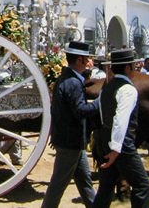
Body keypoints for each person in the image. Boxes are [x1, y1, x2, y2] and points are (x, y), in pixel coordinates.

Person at [42, 41, 100, 208]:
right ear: (80, 59)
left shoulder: (66, 78)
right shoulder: (73, 83)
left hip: (73, 142)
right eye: (88, 58)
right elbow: (81, 110)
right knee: (58, 185)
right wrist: (99, 103)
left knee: (85, 183)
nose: (90, 61)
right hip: (70, 143)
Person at [93, 48, 149, 208]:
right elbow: (120, 120)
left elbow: (104, 116)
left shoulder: (106, 88)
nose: (135, 69)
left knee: (105, 189)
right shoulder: (127, 89)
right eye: (133, 66)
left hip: (105, 141)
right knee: (142, 186)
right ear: (127, 68)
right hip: (121, 146)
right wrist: (116, 149)